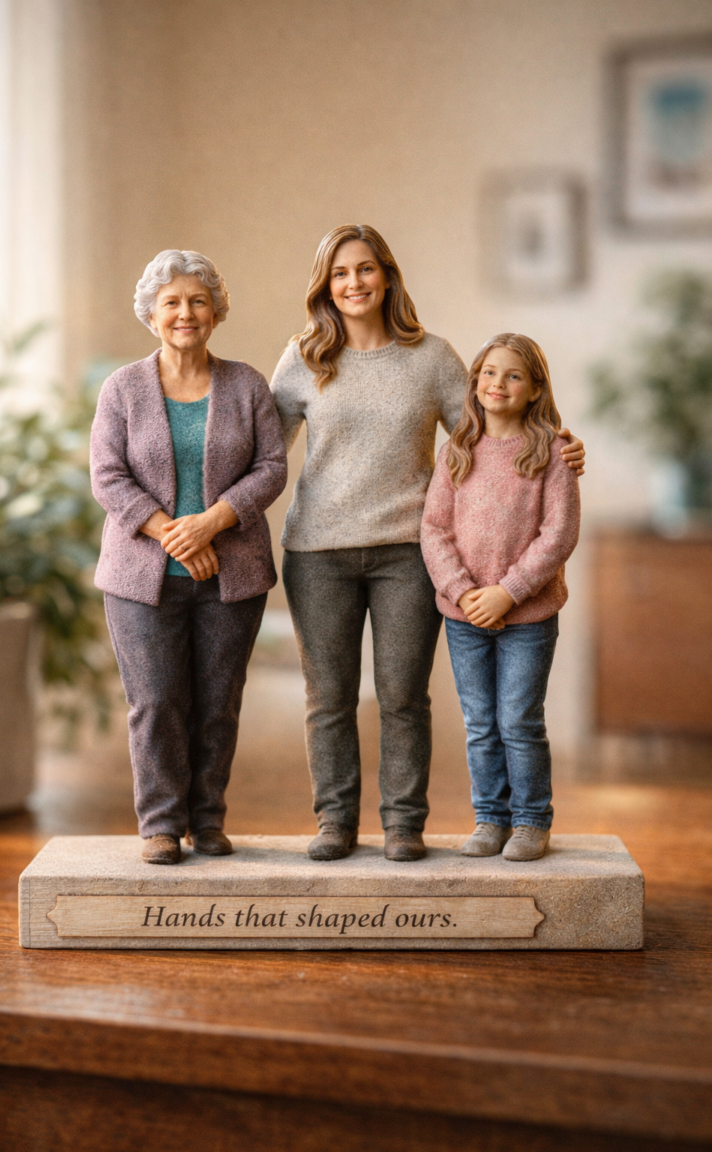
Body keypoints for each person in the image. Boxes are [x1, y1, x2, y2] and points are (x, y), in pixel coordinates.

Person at [270, 225, 585, 863]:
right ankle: (335, 822)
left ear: (387, 275)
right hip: (317, 554)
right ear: (325, 286)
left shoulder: (433, 357)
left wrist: (561, 444)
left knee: (403, 696)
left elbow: (492, 424)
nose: (353, 283)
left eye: (364, 269)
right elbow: (259, 455)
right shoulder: (304, 357)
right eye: (339, 274)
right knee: (328, 698)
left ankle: (402, 826)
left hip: (407, 557)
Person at [90, 250, 287, 865]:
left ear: (216, 311)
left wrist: (212, 523)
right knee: (155, 701)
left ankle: (207, 820)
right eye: (171, 302)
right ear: (151, 314)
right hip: (139, 577)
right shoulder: (122, 388)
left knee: (218, 700)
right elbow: (107, 475)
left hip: (233, 574)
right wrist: (173, 534)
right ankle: (160, 824)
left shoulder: (248, 384)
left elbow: (272, 467)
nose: (185, 313)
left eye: (198, 300)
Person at [421, 333, 580, 862]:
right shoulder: (458, 450)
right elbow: (434, 529)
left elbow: (557, 535)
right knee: (481, 723)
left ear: (535, 388)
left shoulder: (552, 453)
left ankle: (532, 820)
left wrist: (507, 593)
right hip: (464, 616)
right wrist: (465, 593)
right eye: (489, 372)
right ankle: (490, 818)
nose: (498, 384)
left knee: (518, 720)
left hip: (528, 617)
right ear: (474, 381)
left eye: (513, 375)